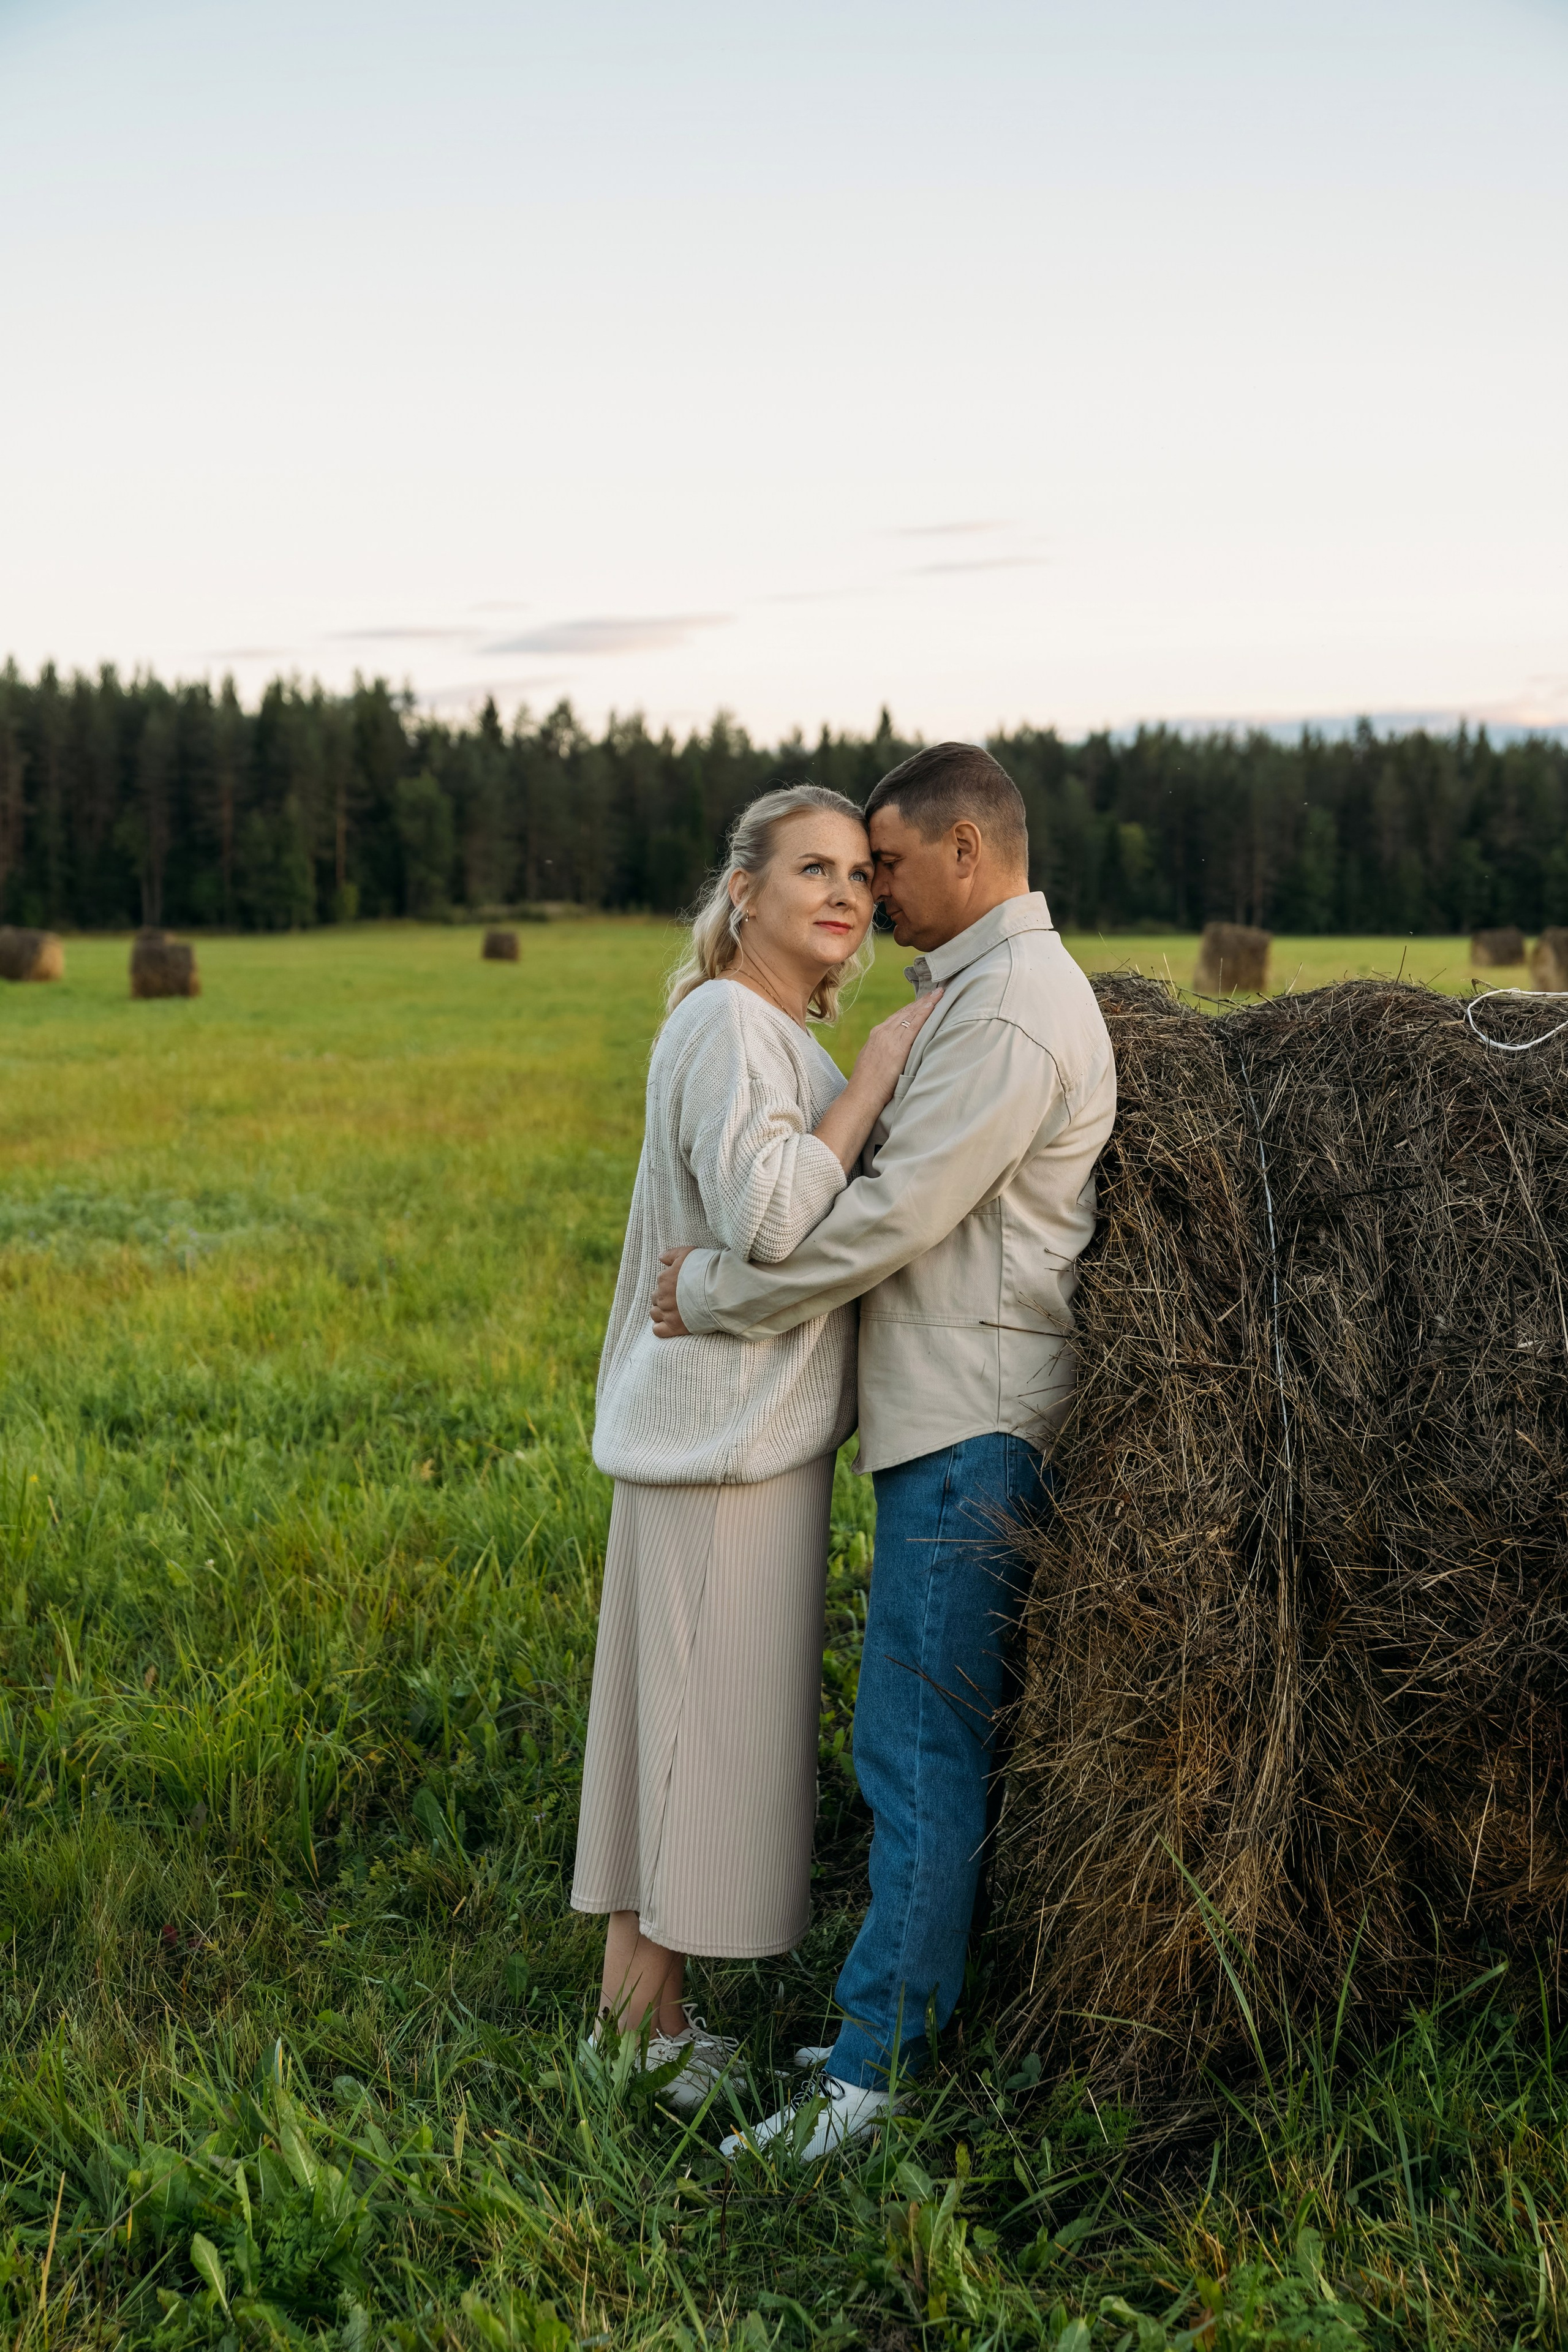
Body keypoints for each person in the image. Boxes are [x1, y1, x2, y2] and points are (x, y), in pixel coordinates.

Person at [650, 742, 1117, 2157]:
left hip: (971, 1422)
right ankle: (883, 2026)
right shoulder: (980, 997)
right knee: (908, 1744)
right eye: (841, 871)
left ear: (966, 854)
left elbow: (893, 1217)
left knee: (913, 1754)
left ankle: (867, 2082)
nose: (874, 894)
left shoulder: (1014, 1011)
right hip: (943, 1415)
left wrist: (718, 1295)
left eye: (890, 867)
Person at [571, 782, 943, 2112]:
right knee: (690, 1740)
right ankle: (638, 2044)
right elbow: (779, 1215)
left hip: (720, 1442)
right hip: (723, 1444)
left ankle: (640, 2025)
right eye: (811, 871)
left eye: (858, 871)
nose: (844, 893)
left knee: (665, 1728)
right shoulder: (734, 1022)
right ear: (744, 894)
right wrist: (887, 1071)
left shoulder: (755, 1026)